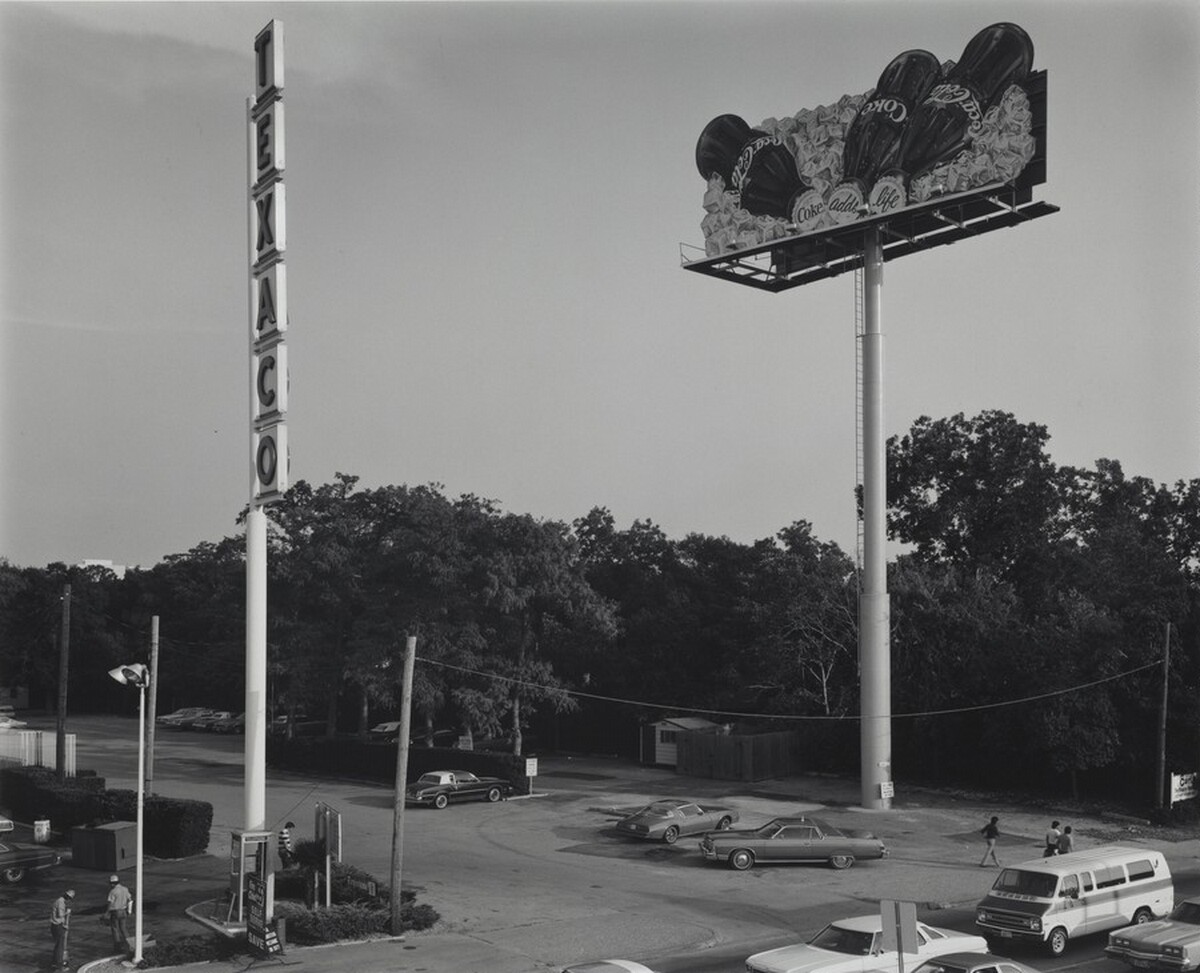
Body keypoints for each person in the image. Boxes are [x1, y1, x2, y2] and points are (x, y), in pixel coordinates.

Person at [105, 874, 132, 954]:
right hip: (123, 911)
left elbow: (110, 903)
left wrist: (107, 913)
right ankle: (130, 945)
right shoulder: (125, 889)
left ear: (112, 883)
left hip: (115, 912)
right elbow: (130, 899)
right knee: (123, 929)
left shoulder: (113, 891)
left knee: (115, 929)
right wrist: (129, 910)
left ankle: (118, 948)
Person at [50, 888, 74, 970]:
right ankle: (60, 965)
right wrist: (68, 912)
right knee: (60, 946)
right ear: (68, 898)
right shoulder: (61, 903)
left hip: (56, 925)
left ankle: (54, 962)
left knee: (58, 945)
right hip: (57, 926)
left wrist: (65, 924)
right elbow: (60, 915)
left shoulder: (59, 900)